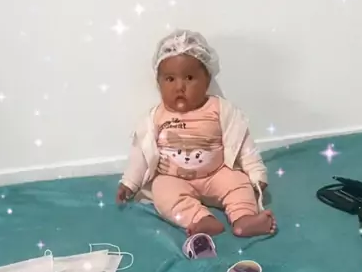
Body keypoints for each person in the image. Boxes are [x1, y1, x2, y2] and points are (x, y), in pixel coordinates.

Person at [116, 30, 277, 237]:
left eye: (189, 78)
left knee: (238, 183)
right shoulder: (154, 118)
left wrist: (256, 173)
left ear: (206, 80)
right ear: (159, 83)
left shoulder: (220, 109)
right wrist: (129, 183)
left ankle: (244, 218)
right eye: (170, 79)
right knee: (162, 192)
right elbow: (140, 155)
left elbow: (243, 144)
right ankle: (200, 219)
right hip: (174, 178)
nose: (180, 87)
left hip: (216, 174)